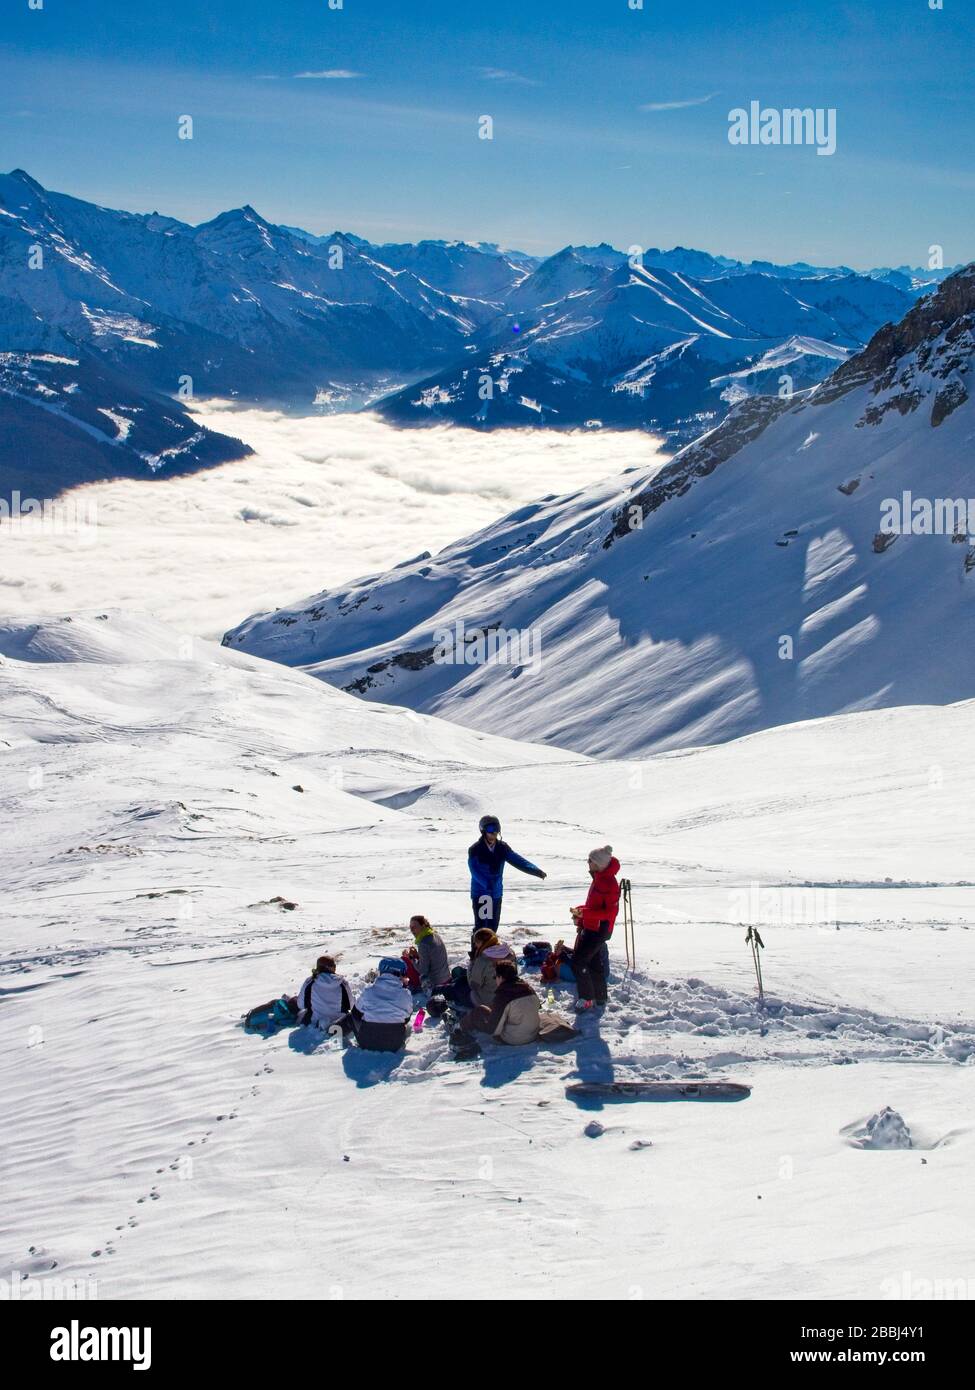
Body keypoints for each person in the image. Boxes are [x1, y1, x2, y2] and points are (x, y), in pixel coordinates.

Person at [468, 814, 546, 937]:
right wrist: (486, 884)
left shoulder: (502, 848)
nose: (494, 832)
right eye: (490, 829)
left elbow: (518, 860)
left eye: (496, 828)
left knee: (493, 927)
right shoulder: (475, 849)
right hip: (481, 893)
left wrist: (535, 870)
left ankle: (490, 953)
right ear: (483, 830)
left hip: (496, 893)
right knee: (481, 928)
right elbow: (474, 870)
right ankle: (476, 954)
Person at [570, 846, 621, 1011]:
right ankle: (600, 997)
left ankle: (587, 998)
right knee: (593, 963)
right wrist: (581, 910)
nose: (588, 862)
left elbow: (609, 913)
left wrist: (584, 914)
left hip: (599, 929)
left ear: (598, 864)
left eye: (590, 860)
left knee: (578, 962)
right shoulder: (599, 878)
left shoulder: (609, 883)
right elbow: (594, 905)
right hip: (593, 926)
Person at [458, 958, 541, 1044]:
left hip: (514, 1039)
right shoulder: (528, 988)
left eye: (495, 977)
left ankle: (459, 1028)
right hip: (533, 1034)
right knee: (494, 1009)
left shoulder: (504, 995)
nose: (495, 980)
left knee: (480, 1010)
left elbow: (493, 1029)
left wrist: (479, 1022)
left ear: (501, 977)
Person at [350, 958, 413, 1051]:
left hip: (366, 1042)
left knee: (351, 1016)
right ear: (400, 974)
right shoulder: (405, 994)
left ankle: (335, 1034)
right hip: (394, 1043)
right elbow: (407, 1018)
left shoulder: (368, 991)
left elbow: (355, 1013)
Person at [295, 955, 354, 1030]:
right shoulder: (342, 983)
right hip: (340, 1023)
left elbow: (301, 1005)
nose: (335, 967)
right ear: (328, 967)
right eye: (333, 965)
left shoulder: (310, 982)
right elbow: (351, 1005)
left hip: (315, 1022)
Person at [468, 930, 516, 1008]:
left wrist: (471, 964)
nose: (475, 945)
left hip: (491, 1001)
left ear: (481, 942)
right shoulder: (510, 953)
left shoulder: (482, 960)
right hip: (508, 997)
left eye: (476, 942)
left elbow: (474, 985)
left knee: (466, 990)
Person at [406, 915, 451, 994]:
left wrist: (411, 957)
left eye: (414, 927)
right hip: (446, 978)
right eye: (410, 927)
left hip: (435, 984)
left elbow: (423, 970)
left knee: (405, 961)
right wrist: (417, 955)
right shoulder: (435, 935)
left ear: (423, 926)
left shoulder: (424, 943)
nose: (412, 930)